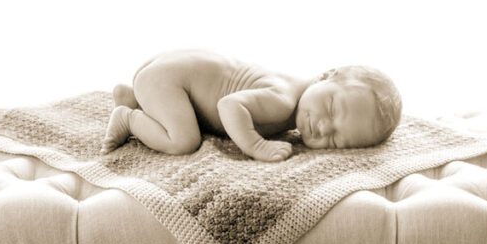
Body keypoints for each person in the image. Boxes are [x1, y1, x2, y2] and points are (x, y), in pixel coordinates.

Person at [102, 49, 402, 162]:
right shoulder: (283, 100)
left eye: (336, 138)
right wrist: (256, 146)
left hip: (164, 74)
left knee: (180, 117)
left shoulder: (293, 93)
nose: (324, 126)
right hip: (170, 81)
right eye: (333, 108)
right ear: (325, 75)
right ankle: (128, 117)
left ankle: (133, 96)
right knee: (183, 140)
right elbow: (229, 106)